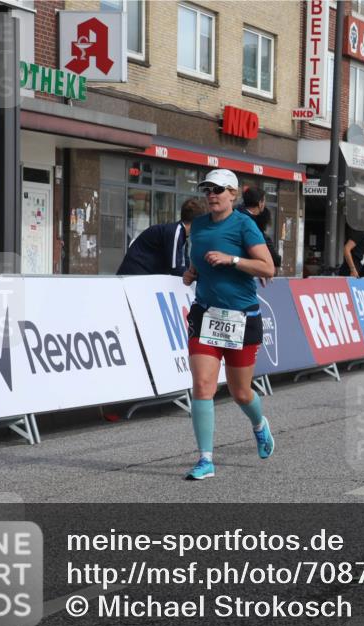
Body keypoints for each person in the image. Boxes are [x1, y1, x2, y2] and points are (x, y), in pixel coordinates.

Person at [181, 169, 276, 480]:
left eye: (218, 189)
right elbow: (199, 254)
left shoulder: (244, 225)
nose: (211, 194)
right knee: (203, 386)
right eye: (207, 189)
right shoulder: (199, 225)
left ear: (233, 194)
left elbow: (268, 267)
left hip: (241, 317)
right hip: (205, 314)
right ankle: (205, 459)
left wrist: (233, 260)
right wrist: (192, 271)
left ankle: (259, 425)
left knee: (241, 392)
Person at [116, 198, 207, 275]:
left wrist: (193, 274)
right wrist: (195, 277)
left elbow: (184, 265)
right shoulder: (175, 232)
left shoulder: (181, 236)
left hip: (141, 276)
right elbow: (175, 268)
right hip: (133, 275)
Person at [237, 186, 281, 273]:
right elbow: (272, 256)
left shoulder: (236, 214)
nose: (264, 205)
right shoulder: (249, 222)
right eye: (264, 201)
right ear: (260, 203)